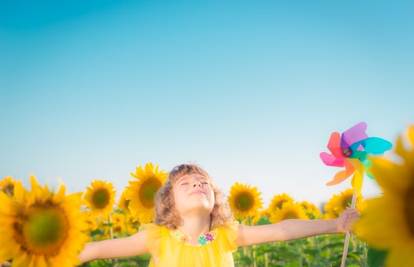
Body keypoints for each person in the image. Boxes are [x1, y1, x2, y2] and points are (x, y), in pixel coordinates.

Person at [78, 163, 359, 267]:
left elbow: (282, 230)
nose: (197, 185)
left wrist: (335, 224)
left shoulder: (226, 235)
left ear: (214, 200)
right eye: (185, 184)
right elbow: (98, 249)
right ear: (169, 203)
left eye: (203, 183)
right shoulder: (157, 238)